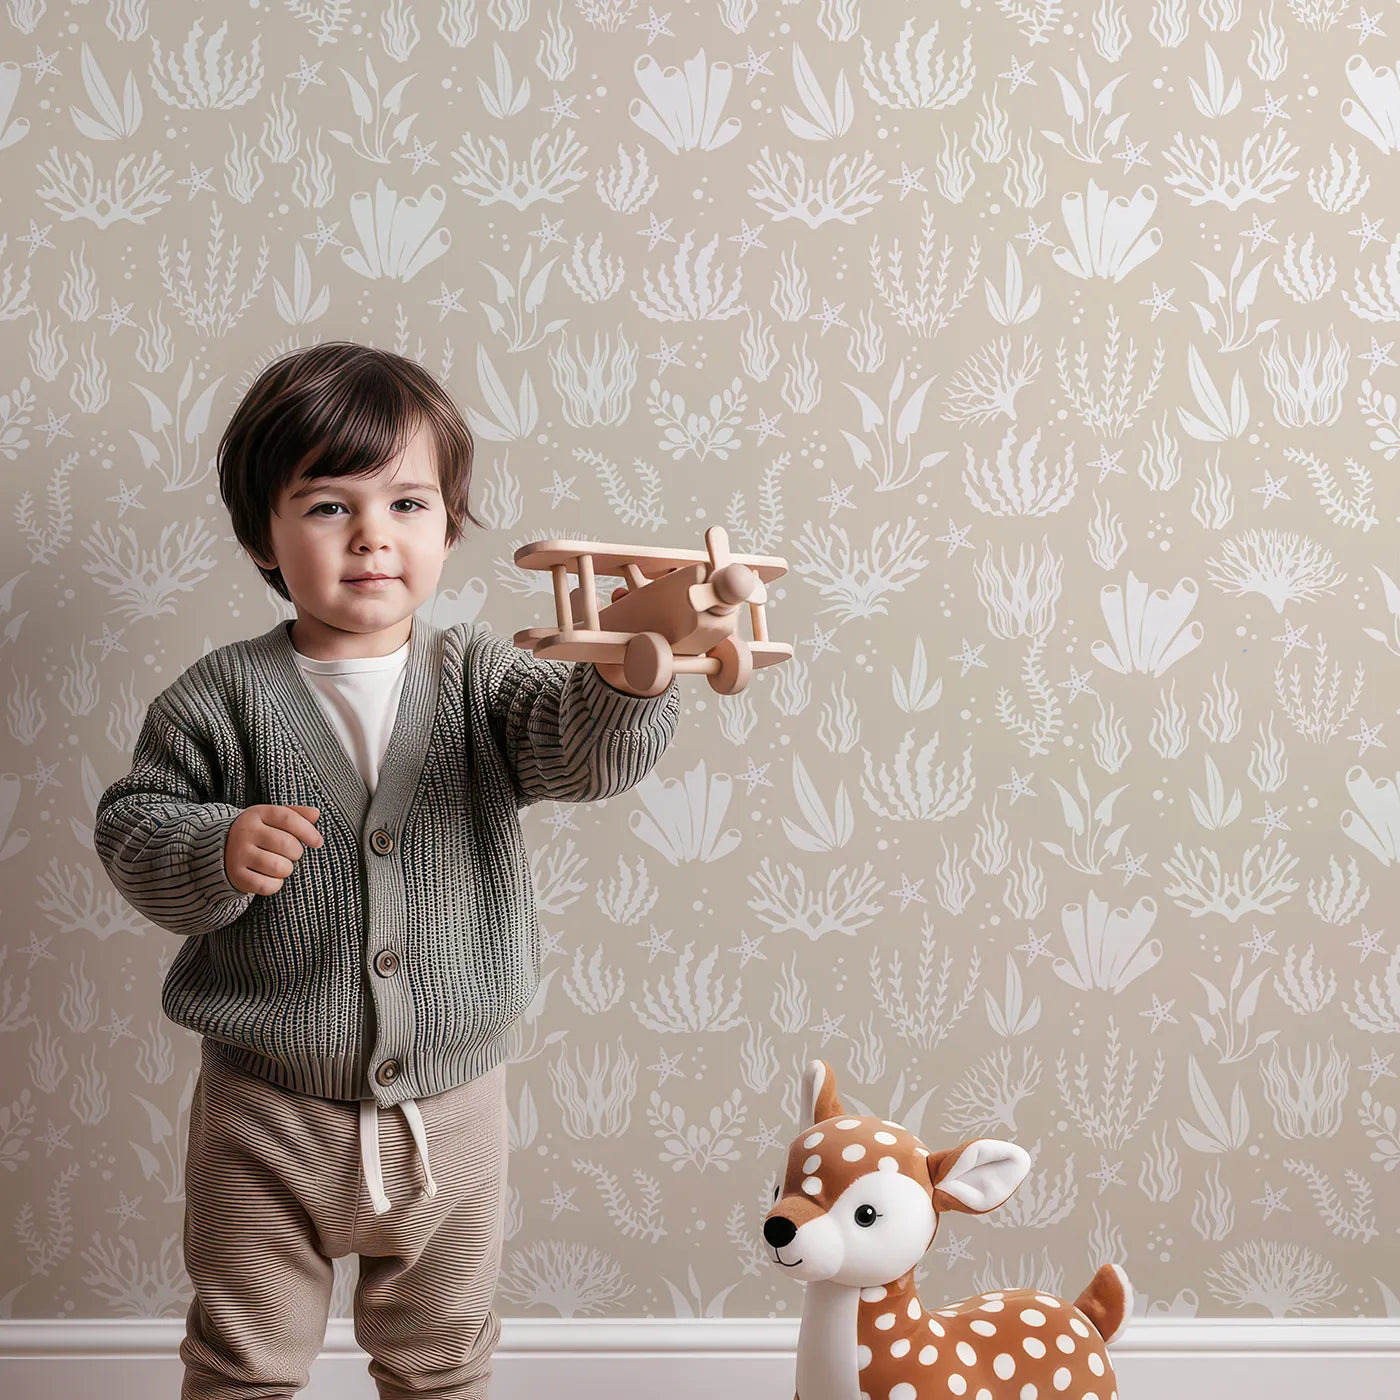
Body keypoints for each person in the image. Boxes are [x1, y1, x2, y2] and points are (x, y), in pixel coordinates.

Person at [93, 341, 682, 1400]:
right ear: (260, 536)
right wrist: (212, 846)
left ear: (450, 526)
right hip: (263, 1108)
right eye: (327, 505)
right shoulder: (218, 696)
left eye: (408, 503)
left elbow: (575, 750)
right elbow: (134, 825)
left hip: (452, 1110)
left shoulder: (479, 676)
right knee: (240, 1354)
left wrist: (631, 679)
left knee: (442, 1354)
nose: (372, 534)